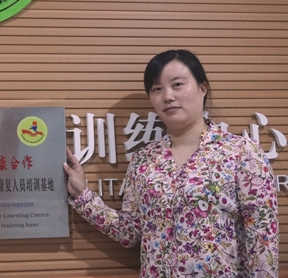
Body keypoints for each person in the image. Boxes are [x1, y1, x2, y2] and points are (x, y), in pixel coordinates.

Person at [63, 49, 278, 277]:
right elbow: (130, 233)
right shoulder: (143, 160)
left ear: (202, 88)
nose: (167, 96)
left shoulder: (242, 153)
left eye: (177, 85)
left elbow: (262, 241)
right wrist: (82, 195)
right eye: (157, 89)